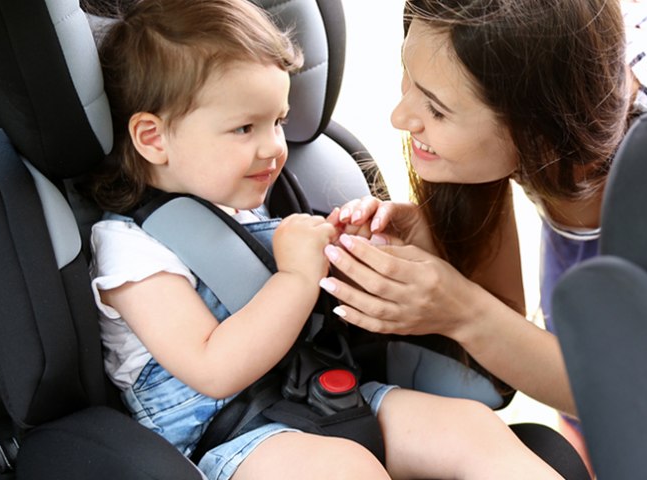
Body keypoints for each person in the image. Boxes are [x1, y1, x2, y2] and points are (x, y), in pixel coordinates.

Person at [85, 0, 564, 479]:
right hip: (234, 439)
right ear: (153, 137)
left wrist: (356, 254)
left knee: (469, 428)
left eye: (277, 121)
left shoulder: (266, 199)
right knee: (345, 468)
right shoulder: (131, 249)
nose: (274, 146)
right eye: (244, 128)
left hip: (330, 394)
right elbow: (213, 369)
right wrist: (296, 276)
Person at [319, 0, 647, 469]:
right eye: (409, 77)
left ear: (537, 130)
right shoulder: (538, 104)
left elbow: (645, 400)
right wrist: (439, 254)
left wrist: (457, 309)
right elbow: (510, 332)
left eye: (436, 110)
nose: (401, 117)